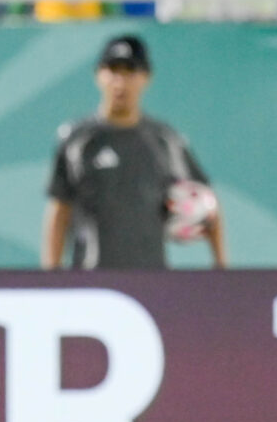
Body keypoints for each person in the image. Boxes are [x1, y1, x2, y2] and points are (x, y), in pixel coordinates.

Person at [43, 33, 227, 270]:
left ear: (146, 77)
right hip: (91, 277)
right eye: (113, 70)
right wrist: (51, 275)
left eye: (130, 71)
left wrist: (221, 266)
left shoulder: (165, 140)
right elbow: (60, 209)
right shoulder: (77, 140)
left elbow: (207, 204)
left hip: (152, 278)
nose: (120, 82)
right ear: (99, 75)